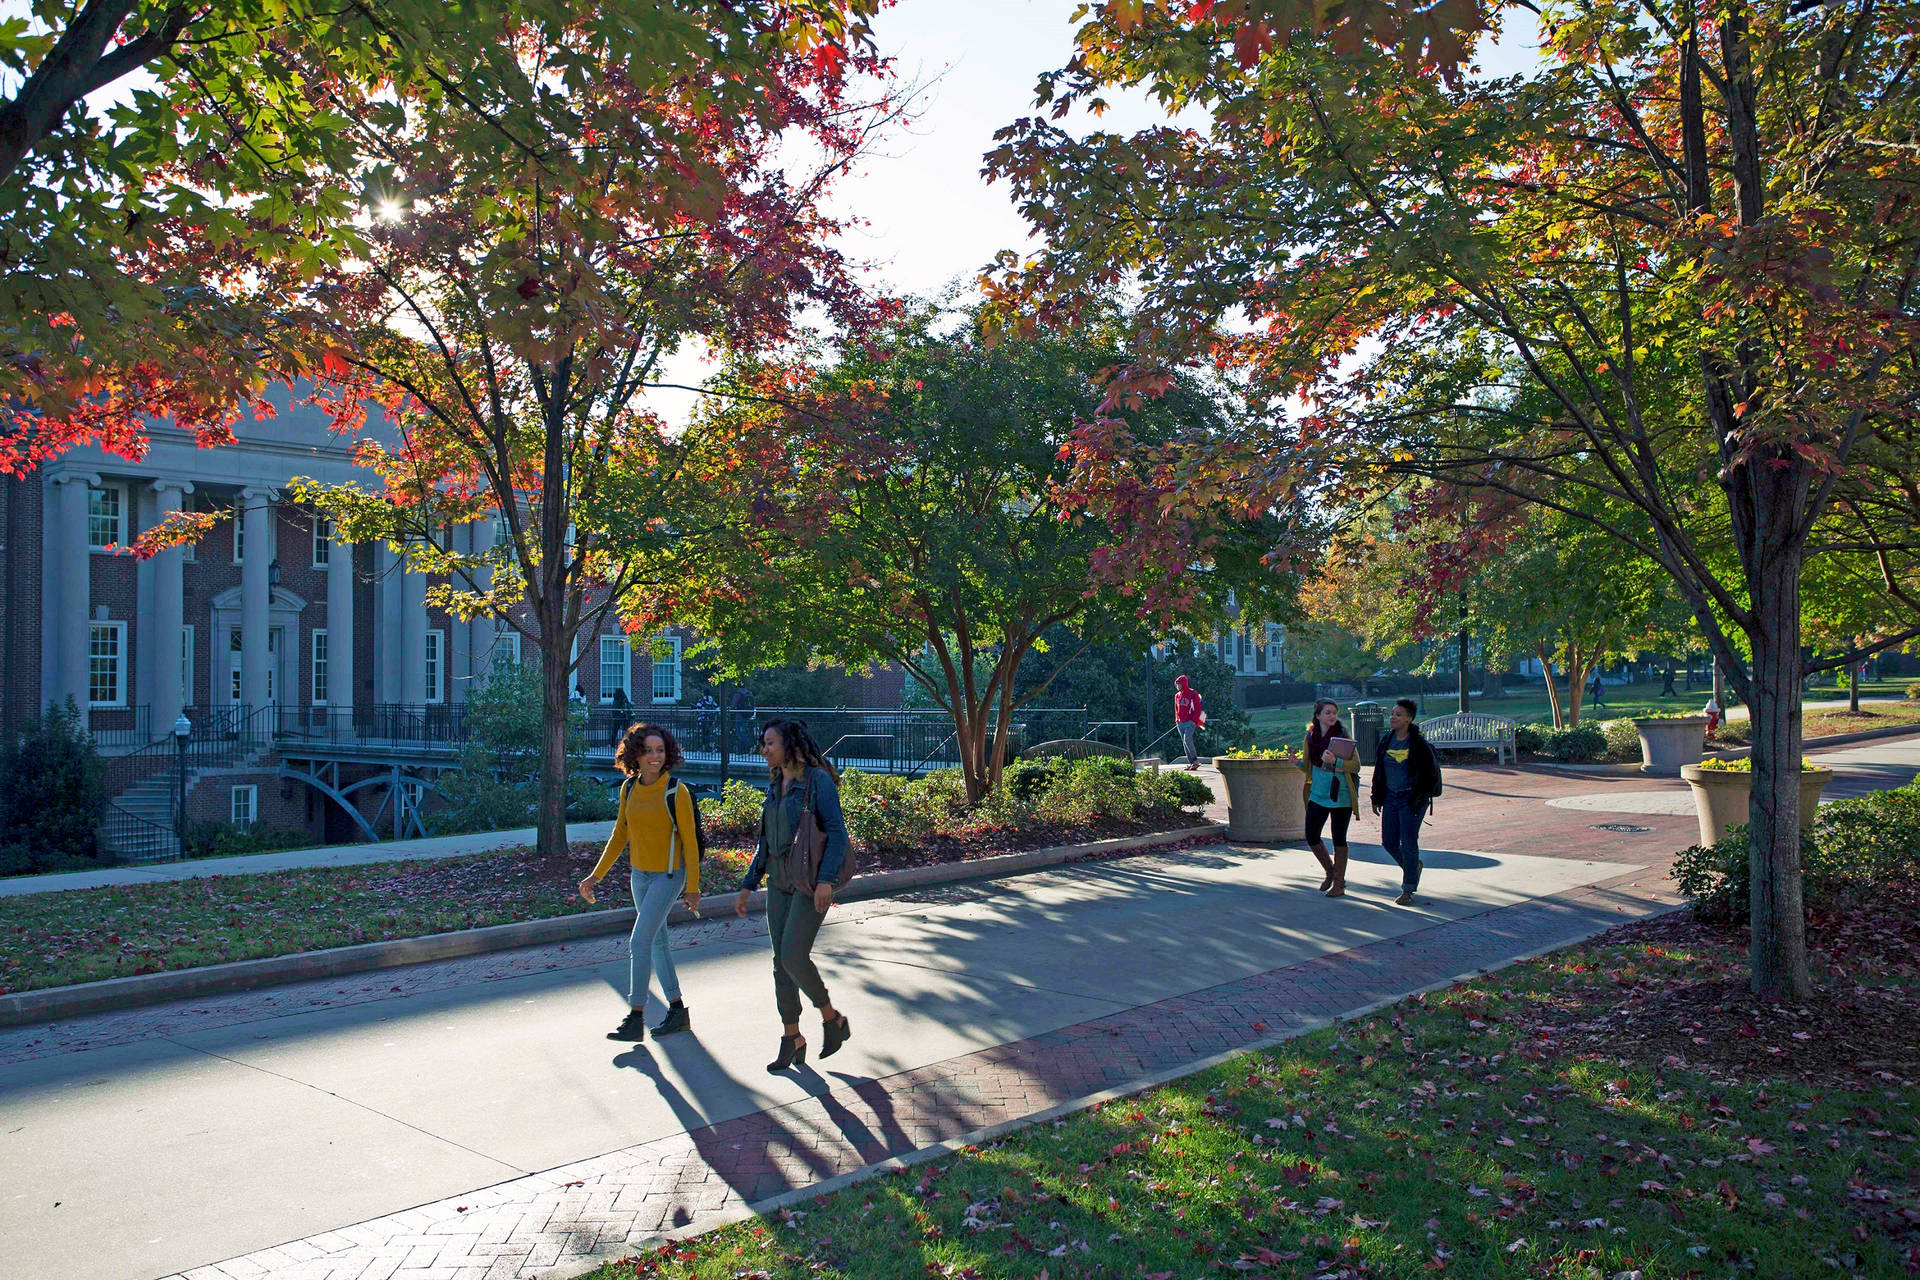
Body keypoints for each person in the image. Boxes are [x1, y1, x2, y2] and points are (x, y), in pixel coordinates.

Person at [735, 718, 852, 1072]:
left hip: (809, 882)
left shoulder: (816, 781)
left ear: (790, 744)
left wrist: (827, 881)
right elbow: (765, 841)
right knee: (780, 963)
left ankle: (832, 1018)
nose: (764, 749)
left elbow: (836, 832)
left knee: (793, 956)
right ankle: (792, 1037)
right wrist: (748, 883)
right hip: (778, 882)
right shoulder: (775, 783)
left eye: (770, 742)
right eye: (763, 743)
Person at [578, 723, 701, 1042]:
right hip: (640, 875)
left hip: (669, 875)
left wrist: (693, 888)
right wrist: (596, 875)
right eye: (648, 750)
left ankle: (635, 1016)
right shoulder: (629, 788)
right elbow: (620, 835)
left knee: (639, 941)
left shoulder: (677, 791)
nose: (655, 756)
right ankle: (677, 1011)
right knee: (657, 941)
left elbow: (689, 842)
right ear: (636, 753)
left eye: (660, 750)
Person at [1370, 698, 1441, 906]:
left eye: (1398, 714)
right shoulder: (1386, 740)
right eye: (1392, 713)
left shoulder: (1419, 744)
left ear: (1409, 719)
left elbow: (1430, 774)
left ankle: (1408, 889)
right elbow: (1379, 772)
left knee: (1409, 842)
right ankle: (1413, 867)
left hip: (1411, 799)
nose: (1393, 717)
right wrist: (1376, 797)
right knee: (1389, 842)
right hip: (1391, 797)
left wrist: (1419, 797)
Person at [1296, 699, 1362, 897]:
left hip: (1340, 795)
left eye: (1334, 712)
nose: (1332, 716)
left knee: (1338, 837)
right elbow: (1307, 766)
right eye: (1328, 712)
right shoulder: (1311, 737)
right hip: (1317, 794)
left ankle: (1339, 883)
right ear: (1317, 716)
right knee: (1311, 835)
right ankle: (1330, 871)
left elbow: (1356, 766)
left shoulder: (1343, 738)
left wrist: (1336, 761)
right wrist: (1296, 762)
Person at [1173, 674, 1206, 771]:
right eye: (1176, 684)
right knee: (1184, 742)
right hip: (1180, 722)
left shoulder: (1192, 693)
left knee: (1187, 739)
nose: (1177, 686)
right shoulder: (1177, 696)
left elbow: (1197, 708)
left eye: (1179, 684)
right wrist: (1176, 720)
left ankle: (1195, 760)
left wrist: (1194, 720)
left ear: (1184, 684)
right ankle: (1192, 763)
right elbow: (1176, 709)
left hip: (1189, 722)